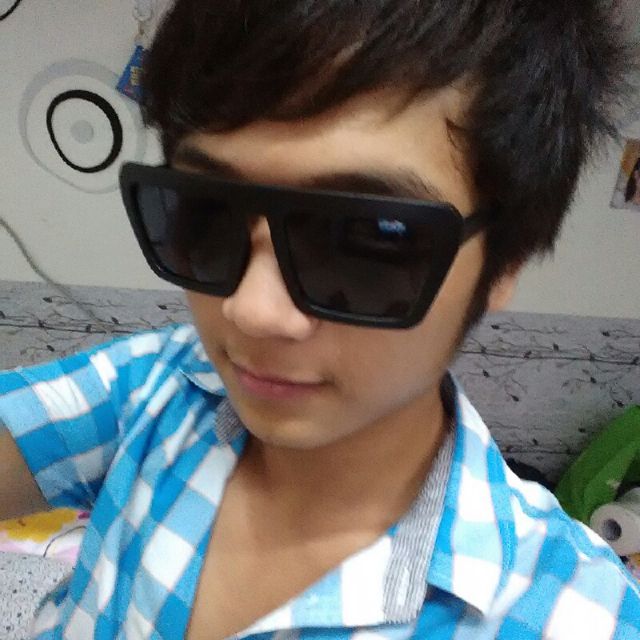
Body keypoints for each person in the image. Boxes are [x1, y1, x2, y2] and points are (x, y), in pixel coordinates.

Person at [1, 1, 639, 638]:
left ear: (505, 262)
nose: (252, 310)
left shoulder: (575, 617)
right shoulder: (158, 385)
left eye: (366, 239)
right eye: (206, 213)